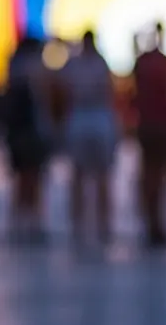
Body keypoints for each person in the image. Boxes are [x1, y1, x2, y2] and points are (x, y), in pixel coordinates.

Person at [59, 31, 119, 244]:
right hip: (89, 118)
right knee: (84, 174)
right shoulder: (84, 65)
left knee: (95, 174)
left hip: (88, 118)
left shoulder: (86, 64)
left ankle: (98, 223)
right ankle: (86, 223)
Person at [132, 23, 166, 248]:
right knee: (160, 175)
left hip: (149, 125)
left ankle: (153, 221)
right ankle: (157, 222)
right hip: (162, 126)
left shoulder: (143, 63)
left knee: (150, 175)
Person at [4, 38, 52, 242]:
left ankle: (22, 222)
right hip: (29, 133)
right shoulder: (31, 74)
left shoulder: (14, 73)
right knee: (31, 178)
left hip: (21, 133)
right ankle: (30, 222)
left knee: (25, 178)